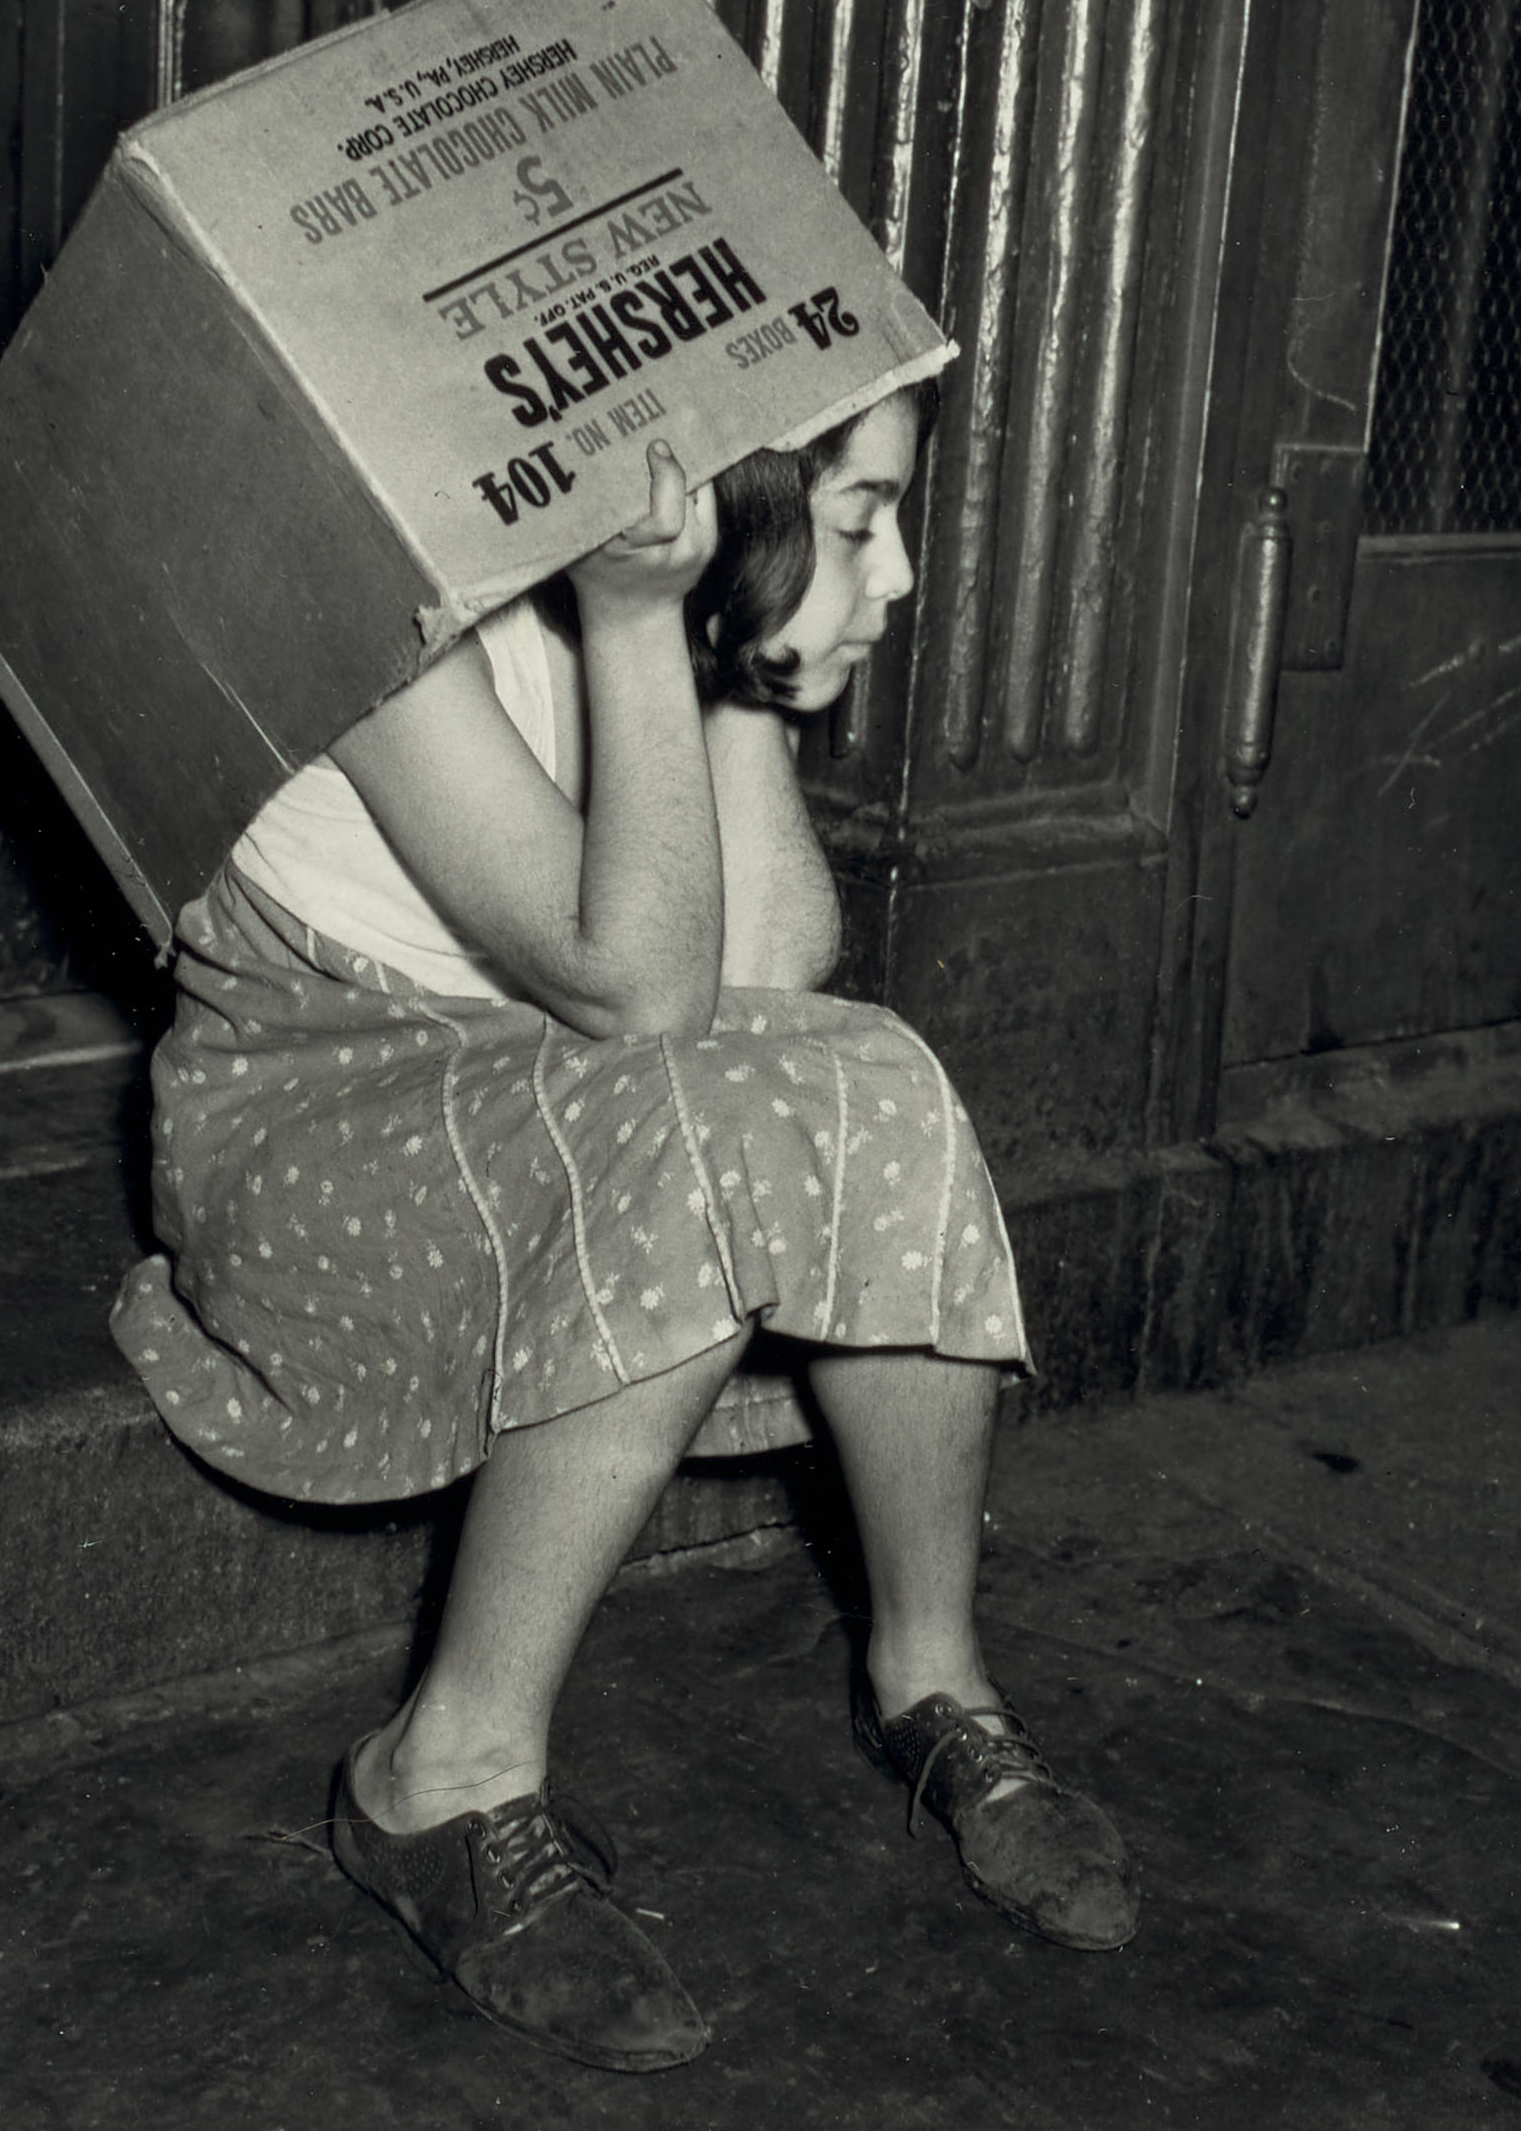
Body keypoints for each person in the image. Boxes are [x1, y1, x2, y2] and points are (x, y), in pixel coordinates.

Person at [108, 385, 1134, 2074]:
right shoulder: (386, 608)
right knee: (682, 1119)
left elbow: (770, 972)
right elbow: (650, 996)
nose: (897, 579)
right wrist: (642, 614)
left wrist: (706, 649)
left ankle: (931, 1685)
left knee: (876, 1072)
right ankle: (435, 1778)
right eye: (864, 521)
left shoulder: (649, 618)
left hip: (542, 1090)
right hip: (315, 1139)